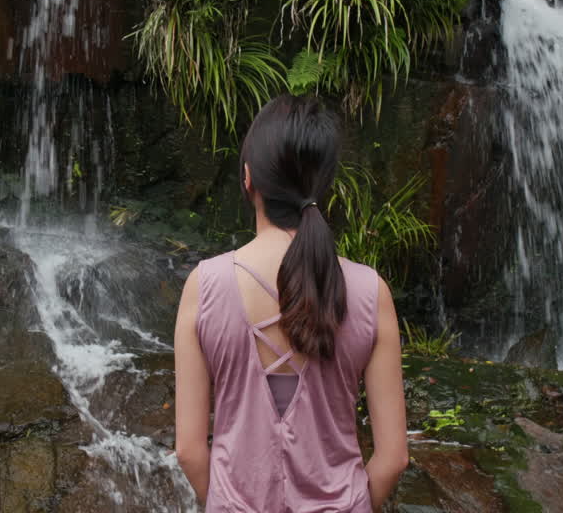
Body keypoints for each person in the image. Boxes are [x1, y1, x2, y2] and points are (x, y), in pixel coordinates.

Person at [173, 94, 409, 512]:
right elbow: (392, 460)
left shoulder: (204, 286)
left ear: (248, 178)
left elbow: (190, 452)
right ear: (325, 185)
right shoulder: (371, 292)